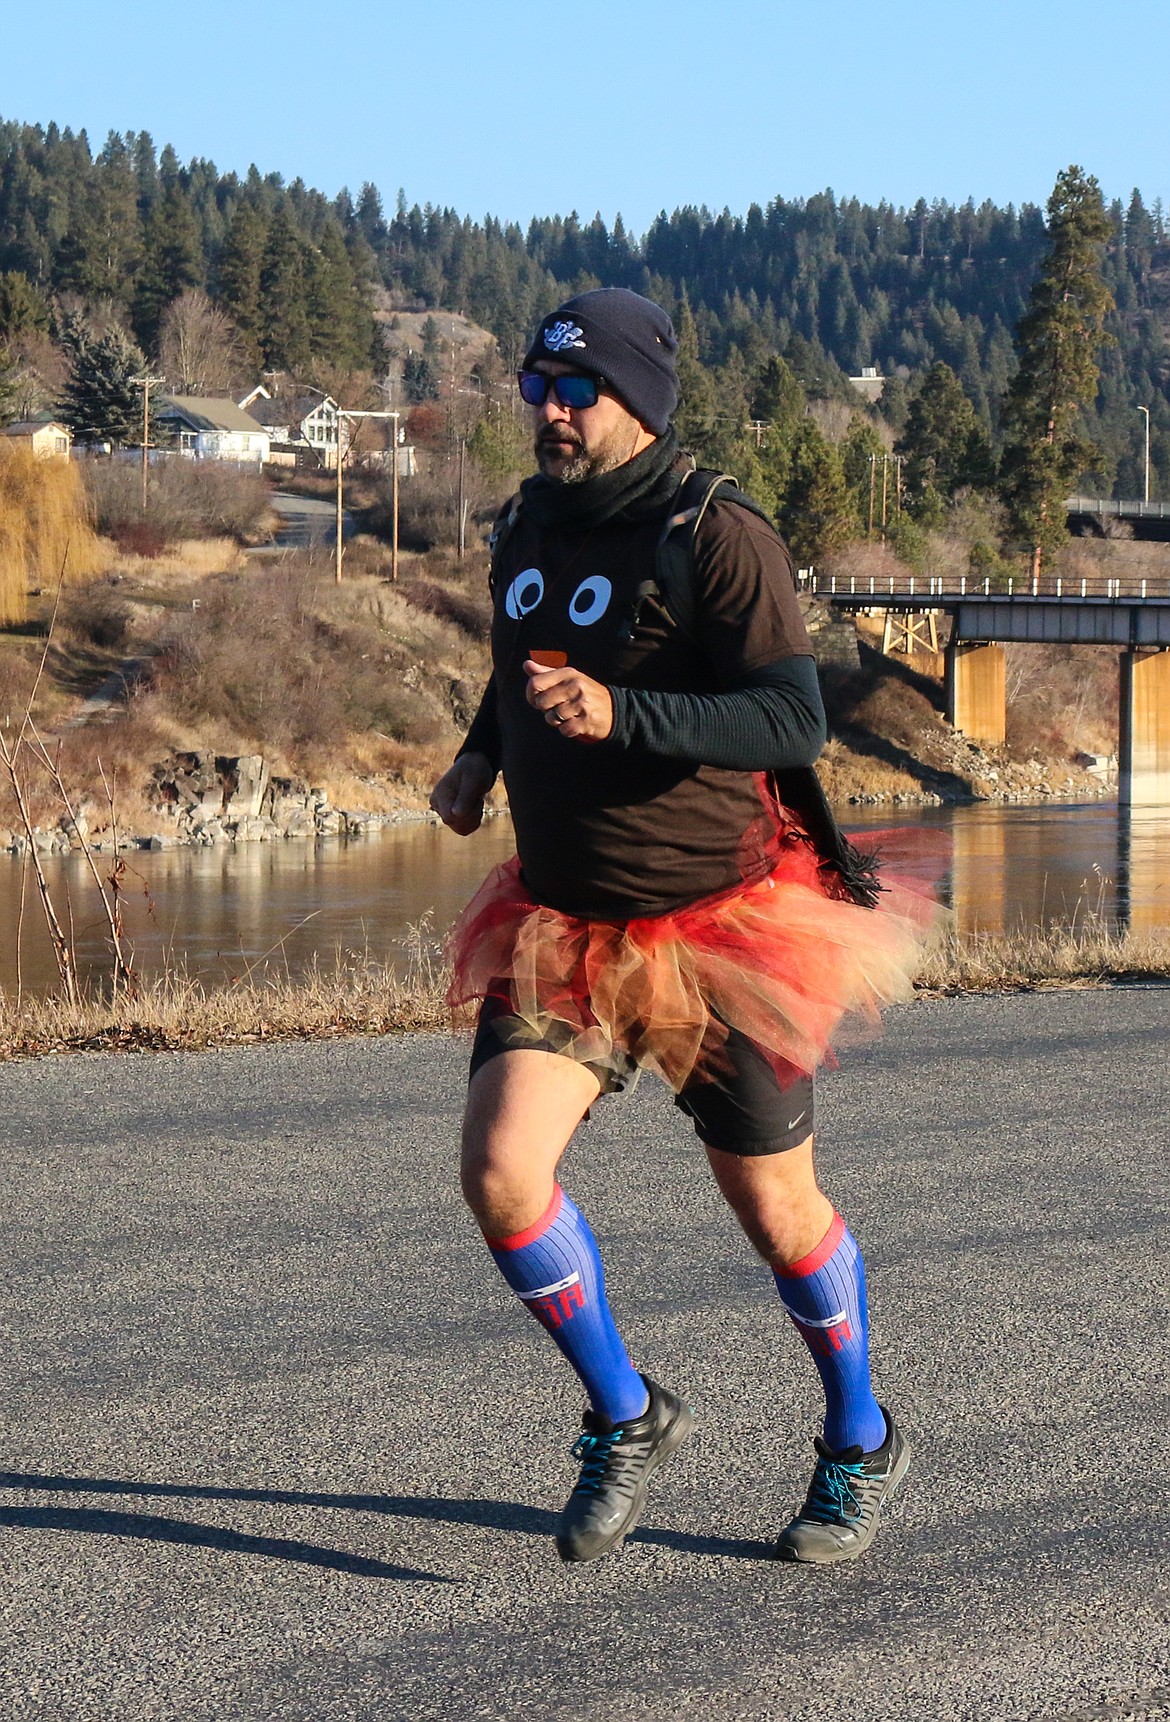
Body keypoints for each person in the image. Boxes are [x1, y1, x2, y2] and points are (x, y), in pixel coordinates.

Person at [430, 288, 928, 1566]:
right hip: (564, 920)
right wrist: (483, 757)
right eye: (537, 386)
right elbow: (517, 665)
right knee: (500, 1174)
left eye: (571, 389)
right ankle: (625, 1413)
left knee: (777, 1211)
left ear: (636, 400)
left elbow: (790, 723)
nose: (546, 408)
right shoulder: (528, 521)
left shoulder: (716, 533)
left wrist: (625, 716)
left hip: (725, 929)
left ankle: (859, 1434)